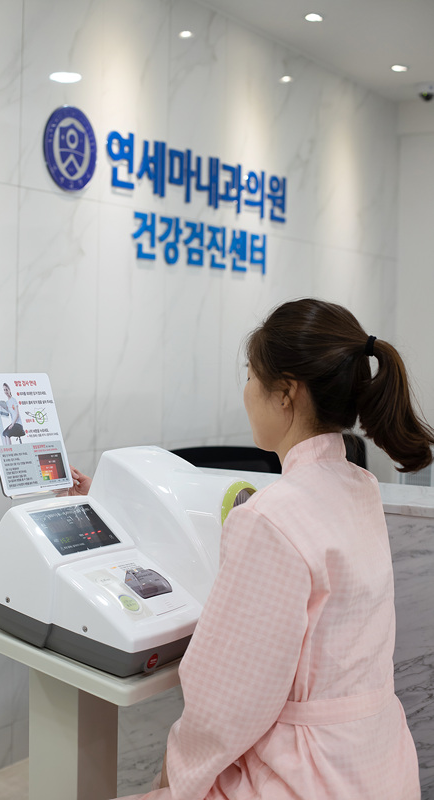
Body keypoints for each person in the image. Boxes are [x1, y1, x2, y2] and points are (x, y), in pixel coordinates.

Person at [71, 299, 431, 800]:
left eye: (249, 376)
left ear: (286, 393)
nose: (245, 392)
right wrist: (108, 500)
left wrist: (175, 774)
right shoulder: (360, 487)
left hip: (305, 777)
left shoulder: (271, 517)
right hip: (378, 763)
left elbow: (225, 704)